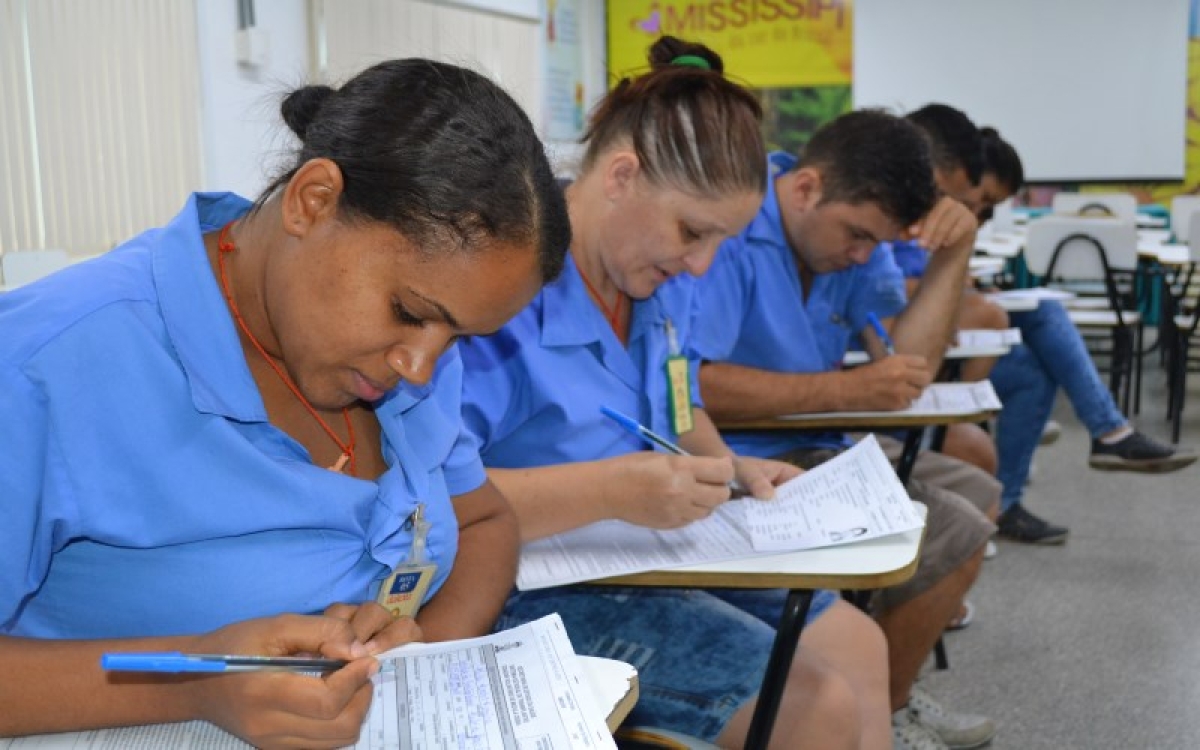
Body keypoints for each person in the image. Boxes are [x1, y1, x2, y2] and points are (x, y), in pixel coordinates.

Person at [0, 59, 570, 747]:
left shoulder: (407, 360)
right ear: (312, 201)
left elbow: (484, 522)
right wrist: (195, 680)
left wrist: (417, 658)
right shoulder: (46, 364)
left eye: (459, 338)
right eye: (408, 311)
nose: (421, 368)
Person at [460, 38, 893, 750]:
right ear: (621, 176)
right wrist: (610, 489)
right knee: (815, 708)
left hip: (645, 550)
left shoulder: (657, 280)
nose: (700, 265)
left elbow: (678, 399)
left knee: (858, 644)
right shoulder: (503, 291)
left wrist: (733, 467)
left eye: (721, 240)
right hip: (523, 587)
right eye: (693, 232)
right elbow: (437, 498)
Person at [678, 109, 1000, 750]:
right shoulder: (731, 230)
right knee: (955, 528)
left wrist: (952, 258)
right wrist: (843, 390)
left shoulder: (850, 239)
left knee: (978, 489)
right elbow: (691, 388)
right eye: (856, 236)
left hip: (818, 441)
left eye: (874, 243)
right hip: (745, 453)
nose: (861, 256)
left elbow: (909, 363)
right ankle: (882, 703)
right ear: (806, 188)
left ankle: (889, 700)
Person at [893, 118, 1198, 544]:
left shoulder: (921, 217)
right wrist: (960, 291)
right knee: (1040, 317)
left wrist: (962, 285)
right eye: (977, 202)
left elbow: (920, 285)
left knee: (1034, 364)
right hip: (916, 353)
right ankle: (1108, 432)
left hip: (940, 341)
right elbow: (898, 295)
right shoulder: (896, 215)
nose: (977, 215)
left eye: (986, 208)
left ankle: (1012, 500)